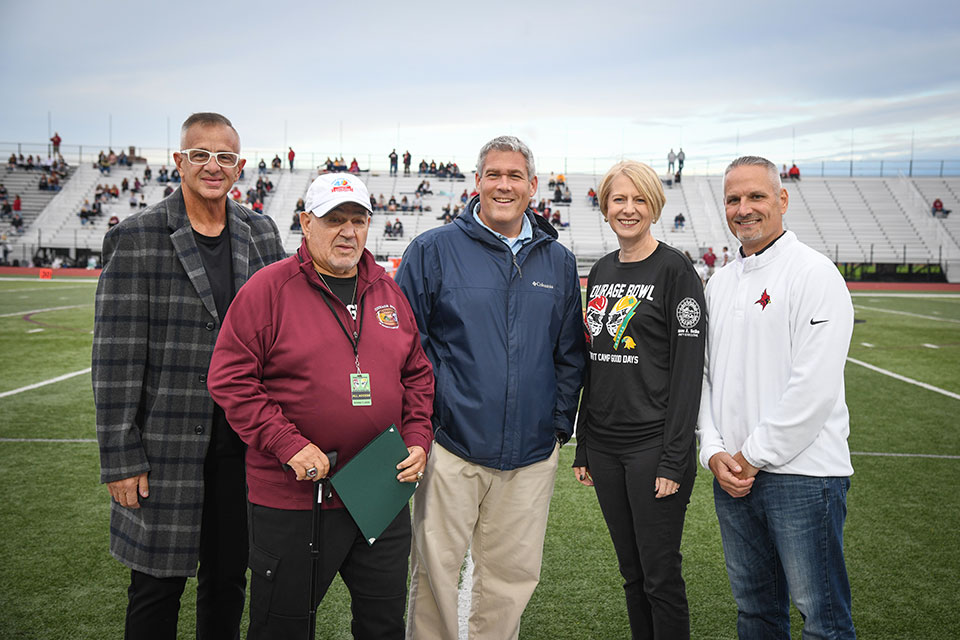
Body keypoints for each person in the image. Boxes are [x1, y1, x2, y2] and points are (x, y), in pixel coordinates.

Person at [207, 172, 433, 639]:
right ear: (306, 223)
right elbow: (230, 378)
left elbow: (417, 376)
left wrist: (417, 439)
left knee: (383, 625)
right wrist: (287, 444)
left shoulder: (388, 292)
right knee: (282, 627)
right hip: (298, 494)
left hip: (379, 490)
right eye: (334, 220)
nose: (348, 232)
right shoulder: (268, 289)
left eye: (358, 219)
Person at [92, 112, 286, 640]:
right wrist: (120, 457)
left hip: (243, 447)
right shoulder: (136, 237)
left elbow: (280, 339)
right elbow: (114, 358)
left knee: (228, 581)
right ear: (179, 161)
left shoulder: (261, 232)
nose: (212, 166)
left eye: (224, 156)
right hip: (164, 448)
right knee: (156, 587)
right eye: (200, 154)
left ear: (240, 166)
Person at [396, 135, 585, 640]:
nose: (504, 185)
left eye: (515, 176)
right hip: (450, 446)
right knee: (434, 573)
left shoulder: (559, 262)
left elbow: (569, 354)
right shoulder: (432, 250)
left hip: (530, 452)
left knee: (511, 580)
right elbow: (404, 347)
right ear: (477, 182)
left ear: (533, 186)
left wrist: (557, 426)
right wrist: (429, 423)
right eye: (494, 175)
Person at [697, 155, 856, 639]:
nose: (743, 208)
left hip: (804, 477)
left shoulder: (815, 273)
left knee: (822, 620)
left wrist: (752, 455)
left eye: (756, 196)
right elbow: (701, 377)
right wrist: (713, 452)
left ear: (782, 200)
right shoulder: (719, 283)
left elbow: (814, 388)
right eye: (733, 199)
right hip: (734, 477)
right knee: (756, 613)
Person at [573, 161, 705, 639]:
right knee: (632, 575)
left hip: (653, 448)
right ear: (605, 206)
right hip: (606, 449)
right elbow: (594, 362)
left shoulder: (676, 271)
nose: (628, 209)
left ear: (655, 205)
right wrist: (584, 443)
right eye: (618, 200)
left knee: (660, 577)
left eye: (639, 200)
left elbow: (689, 374)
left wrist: (674, 460)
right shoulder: (602, 269)